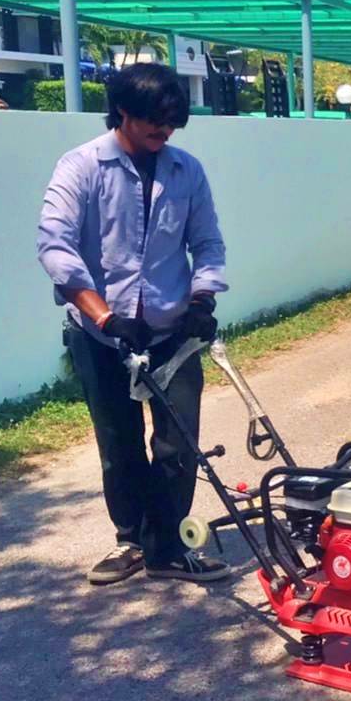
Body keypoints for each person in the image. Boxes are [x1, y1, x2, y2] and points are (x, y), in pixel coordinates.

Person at [37, 63, 230, 586]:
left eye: (171, 125)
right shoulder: (80, 167)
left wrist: (203, 298)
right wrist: (105, 315)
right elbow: (54, 245)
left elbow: (207, 242)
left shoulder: (186, 171)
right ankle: (131, 541)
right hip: (102, 335)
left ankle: (168, 547)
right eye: (153, 123)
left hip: (172, 334)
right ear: (123, 110)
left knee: (179, 442)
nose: (163, 134)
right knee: (118, 443)